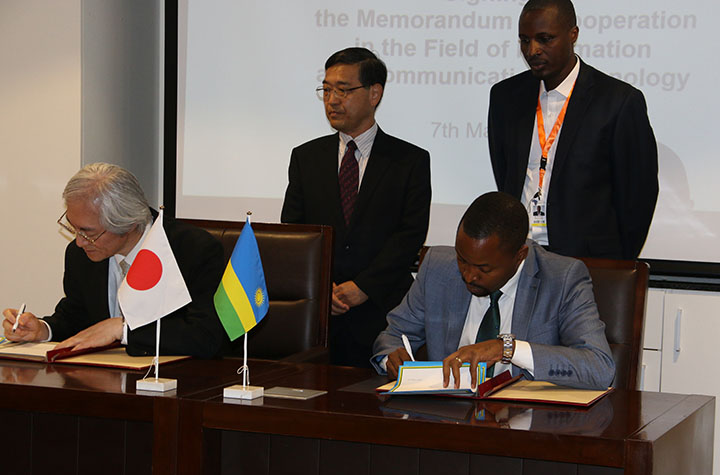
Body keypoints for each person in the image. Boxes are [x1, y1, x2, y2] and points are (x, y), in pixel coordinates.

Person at [371, 192, 614, 390]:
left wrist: (506, 349)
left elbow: (599, 368)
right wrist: (391, 357)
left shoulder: (562, 279)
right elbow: (393, 335)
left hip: (524, 427)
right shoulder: (437, 267)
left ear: (520, 256)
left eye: (483, 268)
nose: (468, 275)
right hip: (447, 418)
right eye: (462, 260)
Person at [281, 47, 432, 367]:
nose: (332, 99)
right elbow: (295, 233)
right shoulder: (306, 158)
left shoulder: (409, 161)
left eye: (343, 90)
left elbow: (410, 235)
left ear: (374, 93)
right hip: (321, 316)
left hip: (383, 313)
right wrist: (324, 289)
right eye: (326, 89)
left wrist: (363, 287)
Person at [487, 0, 658, 260]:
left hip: (587, 261)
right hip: (519, 255)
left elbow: (637, 195)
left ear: (573, 35)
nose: (532, 50)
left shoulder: (618, 101)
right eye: (524, 40)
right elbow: (505, 173)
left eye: (545, 39)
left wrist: (615, 262)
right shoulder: (505, 96)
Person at [2, 163, 226, 358]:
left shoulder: (193, 250)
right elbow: (77, 316)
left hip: (174, 386)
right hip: (104, 383)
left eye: (88, 232)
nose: (79, 241)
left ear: (128, 223)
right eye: (73, 227)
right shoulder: (80, 254)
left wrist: (123, 330)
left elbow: (205, 335)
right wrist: (43, 329)